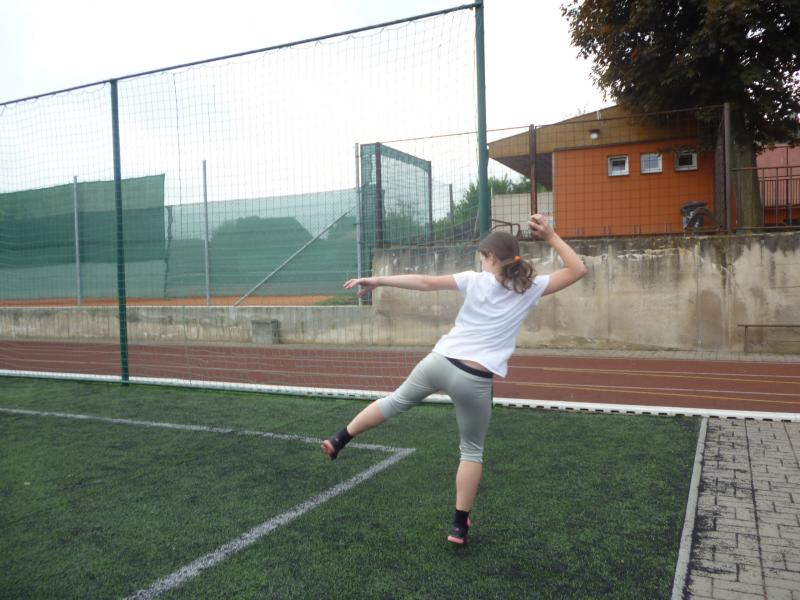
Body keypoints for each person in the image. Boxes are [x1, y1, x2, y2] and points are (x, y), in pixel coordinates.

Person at [321, 214, 587, 544]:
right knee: (471, 451)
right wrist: (550, 235)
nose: (480, 262)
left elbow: (425, 282)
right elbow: (578, 269)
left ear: (491, 257)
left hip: (439, 361)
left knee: (394, 402)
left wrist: (378, 280)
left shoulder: (475, 280)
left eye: (482, 257)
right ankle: (459, 525)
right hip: (474, 378)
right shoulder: (530, 289)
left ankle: (339, 438)